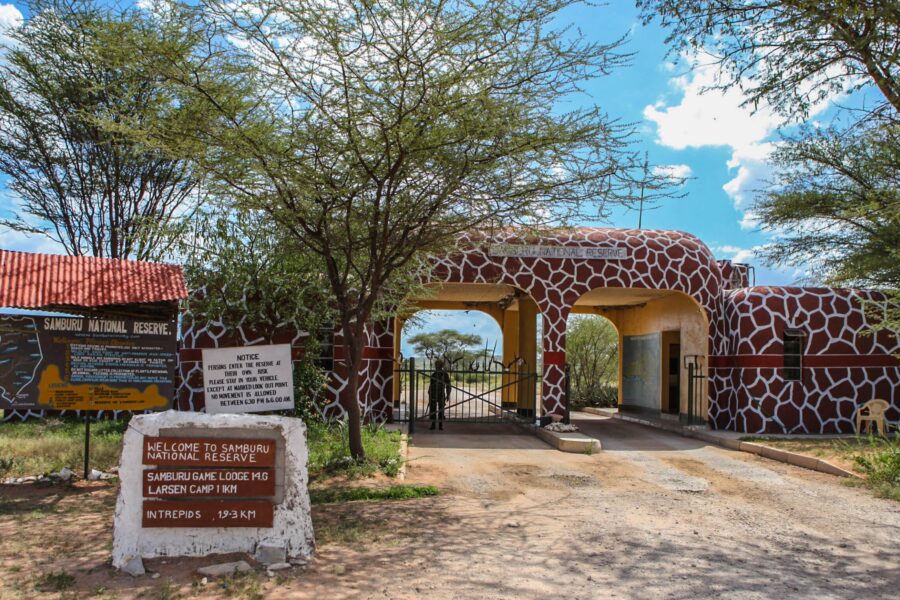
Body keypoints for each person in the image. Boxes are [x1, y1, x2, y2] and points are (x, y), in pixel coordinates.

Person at [427, 359, 452, 430]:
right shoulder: (434, 374)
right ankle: (433, 424)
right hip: (433, 394)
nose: (436, 366)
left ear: (441, 365)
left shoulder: (445, 374)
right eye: (436, 364)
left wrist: (448, 394)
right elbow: (431, 386)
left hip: (441, 394)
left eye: (437, 364)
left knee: (441, 409)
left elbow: (448, 385)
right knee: (433, 410)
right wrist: (430, 395)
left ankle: (441, 425)